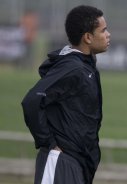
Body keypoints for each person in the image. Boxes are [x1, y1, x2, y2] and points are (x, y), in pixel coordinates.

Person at [21, 5, 110, 184]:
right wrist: (49, 143)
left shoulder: (85, 65)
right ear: (88, 37)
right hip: (61, 162)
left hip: (77, 162)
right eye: (103, 30)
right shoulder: (73, 67)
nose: (108, 34)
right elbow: (32, 100)